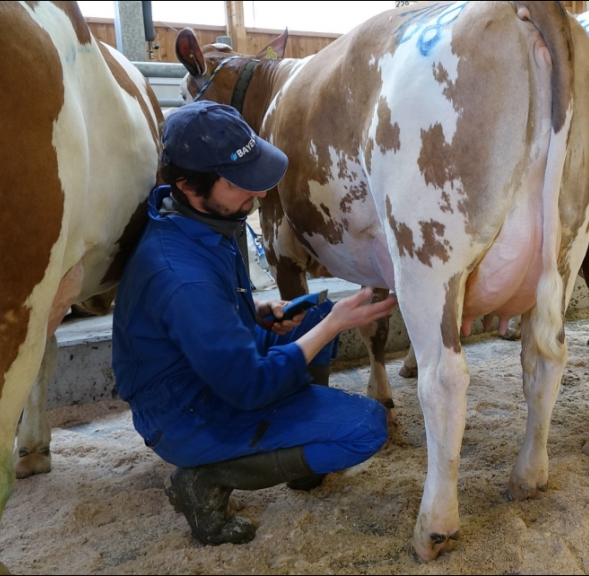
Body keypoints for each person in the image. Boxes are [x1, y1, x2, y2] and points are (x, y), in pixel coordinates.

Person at [112, 101, 397, 546]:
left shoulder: (199, 220)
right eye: (237, 183)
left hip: (205, 368)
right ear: (187, 184)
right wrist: (334, 327)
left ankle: (295, 445)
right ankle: (208, 480)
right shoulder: (182, 276)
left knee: (312, 313)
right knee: (366, 427)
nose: (258, 194)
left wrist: (257, 310)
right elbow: (247, 385)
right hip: (186, 413)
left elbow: (209, 315)